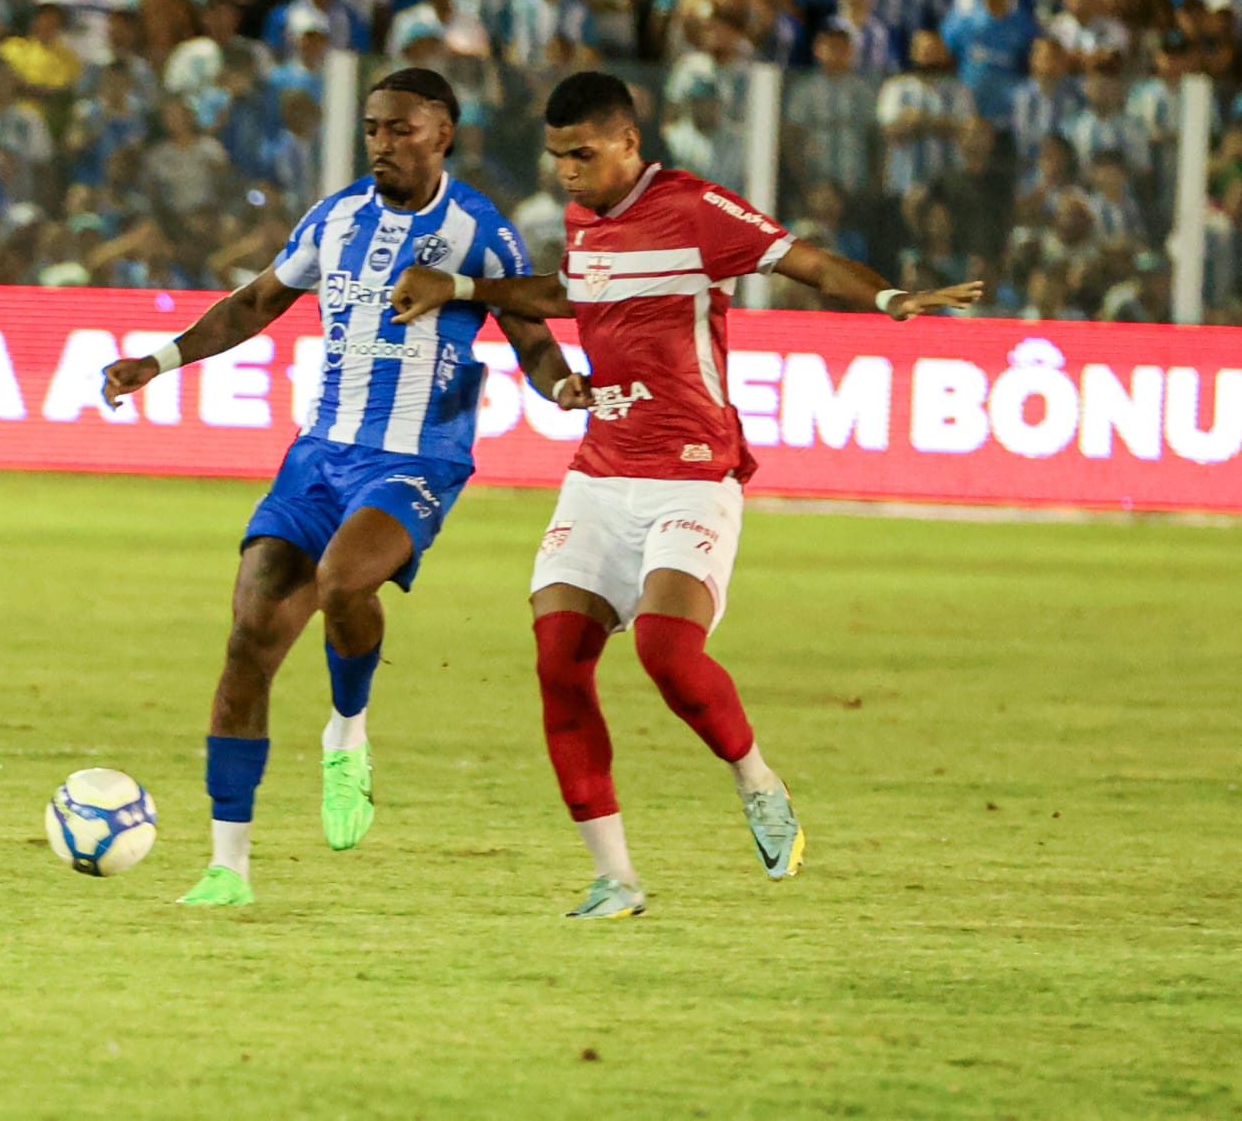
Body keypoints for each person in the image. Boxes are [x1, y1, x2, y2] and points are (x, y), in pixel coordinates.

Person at [390, 72, 982, 918]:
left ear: (629, 143)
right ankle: (615, 877)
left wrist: (888, 297)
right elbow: (574, 292)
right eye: (556, 157)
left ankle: (756, 778)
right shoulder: (583, 217)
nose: (566, 171)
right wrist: (465, 289)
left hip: (692, 471)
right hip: (600, 472)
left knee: (667, 651)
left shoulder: (696, 207)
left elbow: (801, 258)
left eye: (582, 155)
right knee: (559, 663)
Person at [99, 68, 574, 908]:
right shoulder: (337, 217)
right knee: (250, 632)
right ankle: (228, 867)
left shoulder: (478, 231)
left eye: (399, 129)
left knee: (345, 578)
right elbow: (257, 302)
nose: (381, 143)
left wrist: (564, 387)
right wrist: (158, 360)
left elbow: (532, 332)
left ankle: (346, 730)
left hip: (419, 457)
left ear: (442, 134)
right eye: (372, 129)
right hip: (320, 453)